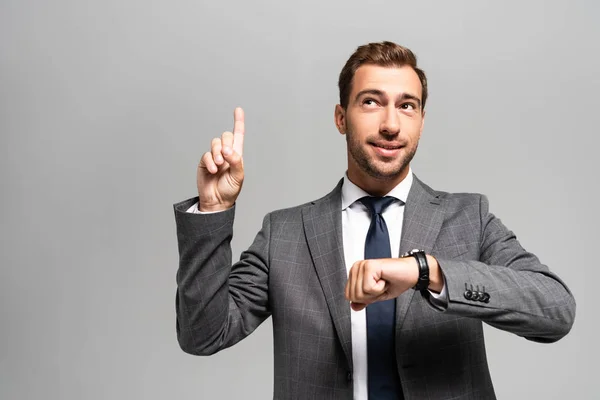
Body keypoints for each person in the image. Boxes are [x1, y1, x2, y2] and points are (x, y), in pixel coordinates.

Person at [173, 41, 576, 399]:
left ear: (421, 120)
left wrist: (428, 272)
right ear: (340, 117)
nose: (390, 124)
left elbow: (556, 310)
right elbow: (203, 335)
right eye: (371, 101)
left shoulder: (469, 218)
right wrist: (213, 210)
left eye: (407, 105)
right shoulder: (285, 234)